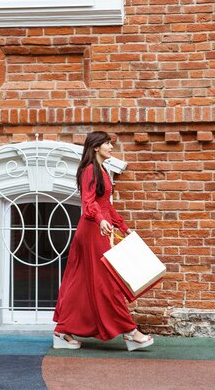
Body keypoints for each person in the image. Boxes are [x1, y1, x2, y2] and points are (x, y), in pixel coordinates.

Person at [52, 131, 154, 352]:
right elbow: (89, 204)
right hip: (92, 231)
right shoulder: (90, 170)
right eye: (108, 143)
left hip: (100, 229)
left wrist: (123, 227)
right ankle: (129, 331)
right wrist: (100, 221)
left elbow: (106, 205)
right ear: (96, 147)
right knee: (108, 282)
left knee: (82, 284)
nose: (111, 146)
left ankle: (62, 331)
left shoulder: (102, 170)